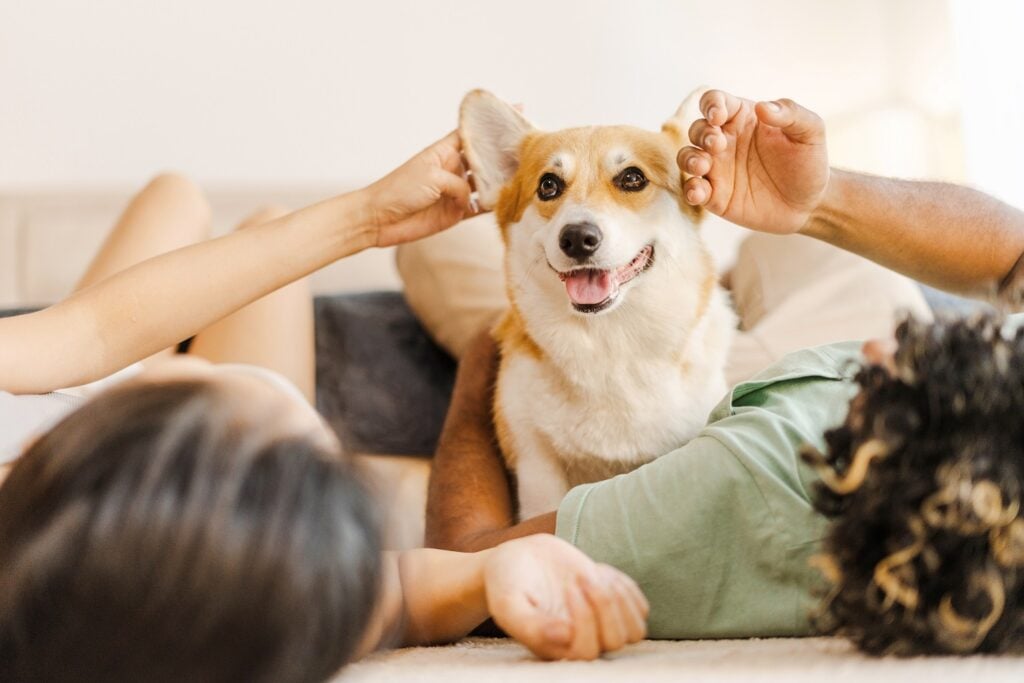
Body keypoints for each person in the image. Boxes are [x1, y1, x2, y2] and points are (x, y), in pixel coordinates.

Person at [0, 133, 648, 681]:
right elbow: (389, 591)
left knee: (175, 196)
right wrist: (488, 571)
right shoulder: (231, 592)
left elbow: (97, 333)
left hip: (88, 422)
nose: (308, 420)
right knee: (252, 219)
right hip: (124, 459)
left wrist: (368, 217)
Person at [420, 90, 1024, 653]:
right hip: (740, 329)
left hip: (721, 374)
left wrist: (484, 364)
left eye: (912, 375)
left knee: (432, 247)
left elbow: (464, 569)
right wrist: (817, 198)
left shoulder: (746, 472)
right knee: (784, 250)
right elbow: (1013, 258)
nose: (881, 348)